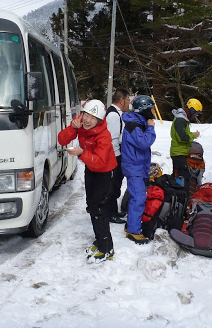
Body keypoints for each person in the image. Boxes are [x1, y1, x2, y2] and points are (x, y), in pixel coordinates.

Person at [57, 99, 118, 261]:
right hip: (91, 170)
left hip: (105, 173)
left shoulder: (104, 135)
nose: (87, 120)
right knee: (91, 206)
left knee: (99, 209)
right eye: (86, 115)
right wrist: (73, 128)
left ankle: (107, 249)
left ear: (99, 120)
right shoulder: (81, 125)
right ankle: (100, 241)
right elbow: (62, 140)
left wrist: (80, 153)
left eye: (93, 118)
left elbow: (100, 161)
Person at [121, 94, 157, 244]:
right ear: (145, 110)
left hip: (138, 166)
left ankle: (131, 223)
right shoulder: (134, 125)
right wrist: (150, 128)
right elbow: (144, 142)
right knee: (138, 198)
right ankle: (133, 231)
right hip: (134, 167)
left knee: (136, 196)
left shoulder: (137, 123)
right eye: (153, 109)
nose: (154, 113)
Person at [105, 88, 131, 224]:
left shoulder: (116, 113)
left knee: (115, 184)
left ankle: (113, 211)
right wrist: (116, 159)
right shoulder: (114, 116)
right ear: (121, 100)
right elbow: (112, 139)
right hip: (114, 156)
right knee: (113, 185)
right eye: (127, 99)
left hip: (115, 155)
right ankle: (110, 213)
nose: (128, 102)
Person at [170, 98, 202, 199]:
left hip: (181, 152)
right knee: (183, 177)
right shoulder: (180, 120)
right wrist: (192, 136)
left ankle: (179, 198)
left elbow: (184, 134)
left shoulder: (183, 119)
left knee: (180, 175)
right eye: (196, 113)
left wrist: (192, 135)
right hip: (178, 153)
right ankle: (182, 199)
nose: (196, 116)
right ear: (192, 110)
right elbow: (182, 137)